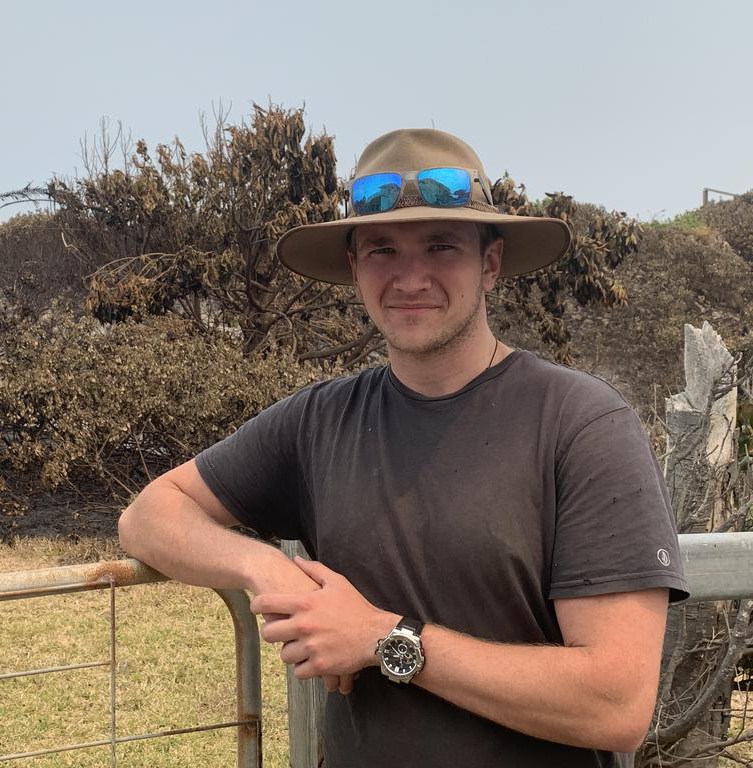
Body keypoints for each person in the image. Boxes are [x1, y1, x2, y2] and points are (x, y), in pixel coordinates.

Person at [118, 128, 688, 767]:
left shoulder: (581, 425)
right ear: (355, 268)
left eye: (441, 246)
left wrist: (384, 639)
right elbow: (148, 516)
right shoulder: (318, 422)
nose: (410, 276)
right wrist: (268, 571)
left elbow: (617, 705)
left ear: (490, 263)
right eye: (382, 248)